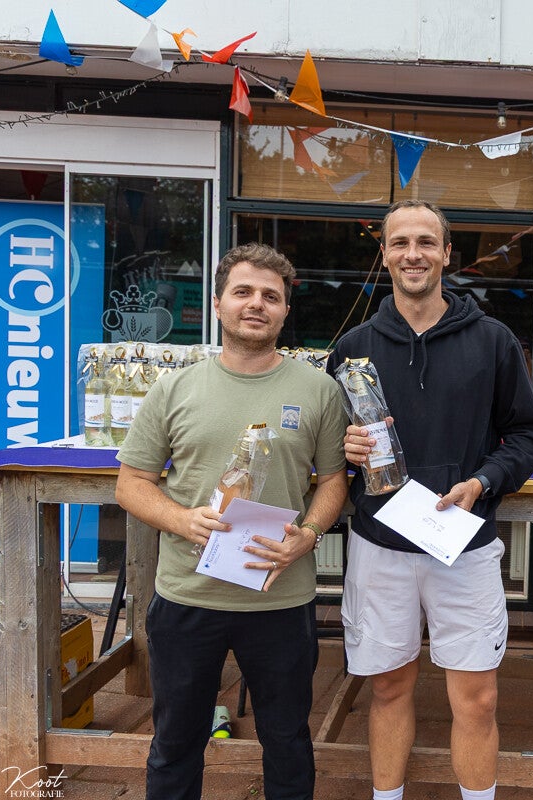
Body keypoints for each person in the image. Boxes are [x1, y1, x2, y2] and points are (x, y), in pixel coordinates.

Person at [329, 200, 533, 800]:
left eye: (426, 242)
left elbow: (528, 435)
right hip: (381, 544)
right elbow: (325, 455)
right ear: (383, 254)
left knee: (477, 698)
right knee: (388, 688)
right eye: (401, 243)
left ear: (447, 254)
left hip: (464, 543)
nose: (413, 254)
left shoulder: (493, 341)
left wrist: (484, 481)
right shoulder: (352, 349)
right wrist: (345, 449)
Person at [115, 242, 350, 800]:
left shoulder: (319, 390)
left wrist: (310, 535)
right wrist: (182, 519)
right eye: (243, 292)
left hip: (280, 600)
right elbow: (131, 483)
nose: (256, 304)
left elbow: (333, 480)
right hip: (188, 596)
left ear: (285, 310)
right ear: (218, 304)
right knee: (175, 741)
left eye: (271, 296)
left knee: (288, 741)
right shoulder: (175, 388)